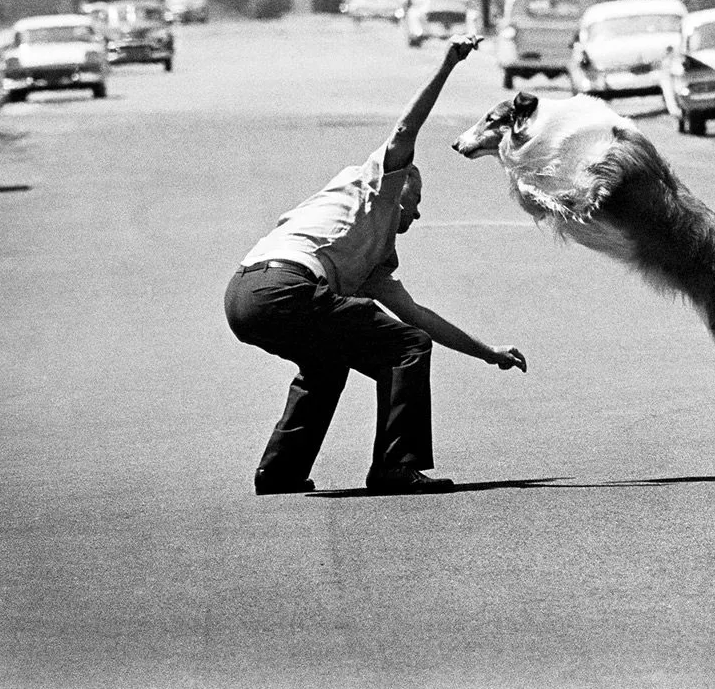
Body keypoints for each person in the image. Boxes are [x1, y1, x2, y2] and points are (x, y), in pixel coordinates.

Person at [225, 35, 527, 495]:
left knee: (328, 364)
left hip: (244, 295)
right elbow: (408, 129)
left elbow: (420, 316)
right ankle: (394, 466)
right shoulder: (376, 187)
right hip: (285, 287)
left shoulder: (371, 261)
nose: (418, 213)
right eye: (416, 199)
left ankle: (280, 472)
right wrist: (448, 62)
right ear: (400, 183)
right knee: (405, 347)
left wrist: (489, 354)